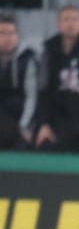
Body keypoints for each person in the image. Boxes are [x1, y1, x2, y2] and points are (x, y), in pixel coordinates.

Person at [34, 5, 79, 152]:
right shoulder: (49, 52)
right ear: (59, 24)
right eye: (66, 19)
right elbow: (43, 91)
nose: (70, 24)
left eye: (75, 19)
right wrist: (44, 124)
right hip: (56, 121)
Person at [0, 11, 40, 149]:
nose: (7, 38)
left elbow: (32, 97)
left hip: (21, 117)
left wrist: (24, 125)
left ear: (18, 35)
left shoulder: (29, 58)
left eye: (11, 33)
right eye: (2, 33)